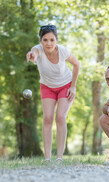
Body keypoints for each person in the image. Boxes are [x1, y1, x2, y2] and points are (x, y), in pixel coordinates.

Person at [26, 24, 80, 163]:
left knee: (61, 117)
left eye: (51, 40)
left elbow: (77, 64)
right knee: (48, 118)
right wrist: (31, 55)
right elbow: (34, 53)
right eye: (45, 40)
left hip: (65, 85)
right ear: (40, 41)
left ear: (56, 40)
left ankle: (59, 158)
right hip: (47, 87)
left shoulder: (63, 51)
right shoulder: (37, 50)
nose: (48, 43)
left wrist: (73, 87)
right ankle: (48, 158)